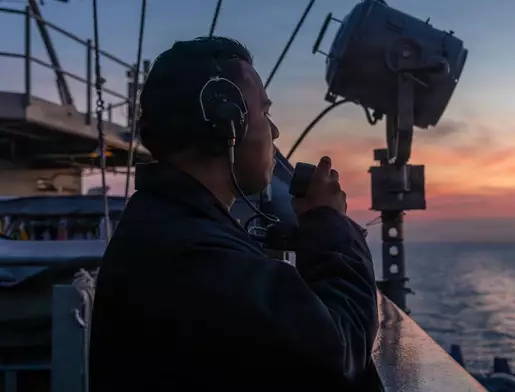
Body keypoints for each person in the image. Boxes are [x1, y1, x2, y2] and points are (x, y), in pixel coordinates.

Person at [89, 36, 380, 391]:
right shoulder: (195, 256)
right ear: (227, 123)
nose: (273, 131)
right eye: (265, 112)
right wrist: (328, 222)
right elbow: (340, 350)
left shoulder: (167, 225)